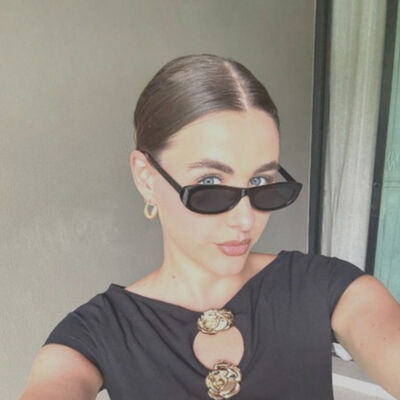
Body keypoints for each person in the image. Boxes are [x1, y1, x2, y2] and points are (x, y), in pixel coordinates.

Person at [20, 54, 400, 400]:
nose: (245, 220)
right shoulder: (96, 332)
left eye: (260, 182)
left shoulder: (326, 286)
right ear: (146, 177)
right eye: (210, 183)